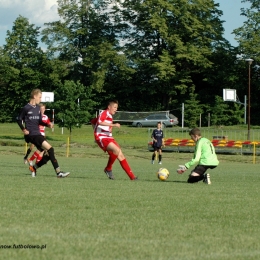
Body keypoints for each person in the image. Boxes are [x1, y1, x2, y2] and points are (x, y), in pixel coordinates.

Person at [17, 89, 70, 178]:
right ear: (34, 96)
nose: (40, 99)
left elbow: (39, 121)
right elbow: (18, 119)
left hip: (38, 134)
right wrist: (23, 129)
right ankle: (59, 173)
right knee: (50, 149)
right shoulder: (26, 108)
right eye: (39, 97)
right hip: (32, 134)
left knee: (48, 154)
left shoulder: (37, 108)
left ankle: (34, 167)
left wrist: (47, 124)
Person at [91, 100, 137, 180]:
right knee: (116, 149)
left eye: (117, 108)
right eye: (115, 107)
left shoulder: (110, 116)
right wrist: (113, 125)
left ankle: (132, 177)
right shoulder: (104, 113)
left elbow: (93, 121)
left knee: (120, 154)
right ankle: (108, 169)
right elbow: (99, 122)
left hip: (109, 138)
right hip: (102, 137)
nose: (116, 109)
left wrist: (95, 131)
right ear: (109, 107)